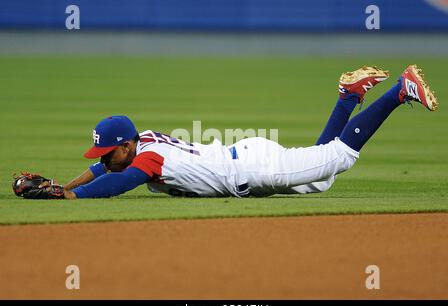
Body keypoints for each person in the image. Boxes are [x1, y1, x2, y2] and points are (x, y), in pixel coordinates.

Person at [33, 65, 440, 199]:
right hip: (245, 156)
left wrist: (71, 196)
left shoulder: (146, 160)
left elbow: (118, 182)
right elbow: (111, 171)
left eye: (106, 152)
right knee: (320, 180)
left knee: (338, 159)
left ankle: (399, 90)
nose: (102, 159)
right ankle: (348, 98)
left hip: (254, 167)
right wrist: (62, 184)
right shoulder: (146, 142)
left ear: (125, 145)